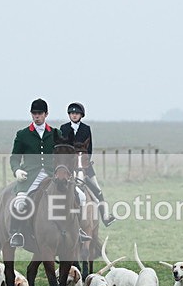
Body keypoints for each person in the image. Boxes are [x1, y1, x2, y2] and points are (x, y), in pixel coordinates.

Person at [8, 98, 90, 248]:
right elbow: (14, 158)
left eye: (39, 113)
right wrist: (17, 170)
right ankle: (16, 233)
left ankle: (77, 230)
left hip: (54, 175)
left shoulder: (55, 133)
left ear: (46, 114)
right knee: (20, 203)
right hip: (30, 176)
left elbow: (66, 154)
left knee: (81, 196)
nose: (36, 116)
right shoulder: (23, 134)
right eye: (34, 113)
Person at [58, 102, 116, 226]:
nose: (74, 116)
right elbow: (63, 148)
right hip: (68, 167)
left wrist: (85, 164)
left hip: (84, 166)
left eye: (76, 113)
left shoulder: (86, 129)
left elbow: (89, 149)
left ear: (81, 115)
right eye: (72, 113)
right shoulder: (64, 128)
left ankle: (105, 216)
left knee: (97, 190)